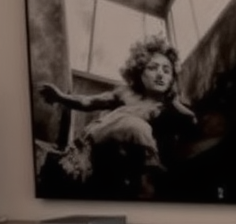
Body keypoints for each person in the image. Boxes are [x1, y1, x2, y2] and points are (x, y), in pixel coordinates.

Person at [38, 35, 197, 199]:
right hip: (84, 148)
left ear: (172, 79)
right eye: (153, 68)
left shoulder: (166, 107)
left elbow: (191, 120)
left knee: (137, 128)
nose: (160, 74)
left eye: (166, 70)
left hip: (115, 160)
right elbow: (88, 101)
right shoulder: (125, 93)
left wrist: (175, 101)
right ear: (140, 71)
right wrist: (60, 97)